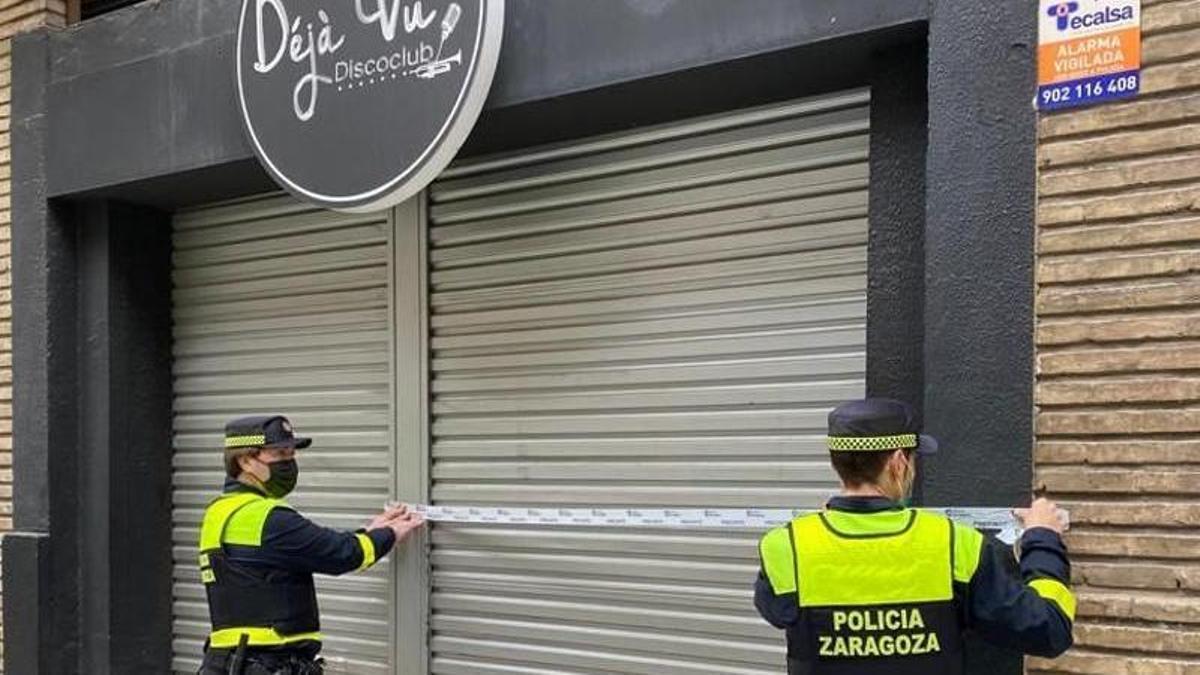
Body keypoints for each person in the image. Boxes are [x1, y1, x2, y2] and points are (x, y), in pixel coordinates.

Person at [755, 398, 1073, 674]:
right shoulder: (952, 543)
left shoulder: (787, 546)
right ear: (898, 462)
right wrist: (1042, 537)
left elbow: (777, 611)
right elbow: (1049, 629)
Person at [197, 415, 425, 675]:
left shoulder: (219, 512)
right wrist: (391, 532)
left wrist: (371, 530)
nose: (289, 463)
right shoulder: (268, 519)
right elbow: (345, 554)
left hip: (225, 663)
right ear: (246, 460)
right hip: (266, 664)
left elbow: (304, 549)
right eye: (280, 454)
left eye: (292, 454)